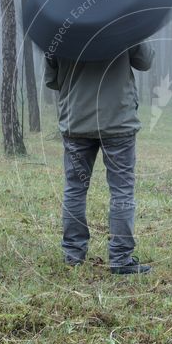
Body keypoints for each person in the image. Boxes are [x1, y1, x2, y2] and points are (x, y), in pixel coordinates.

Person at [44, 42, 154, 275]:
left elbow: (52, 79)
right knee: (122, 190)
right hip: (118, 122)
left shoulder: (60, 25)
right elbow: (145, 61)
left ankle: (73, 256)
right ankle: (121, 259)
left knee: (75, 188)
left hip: (76, 122)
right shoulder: (122, 20)